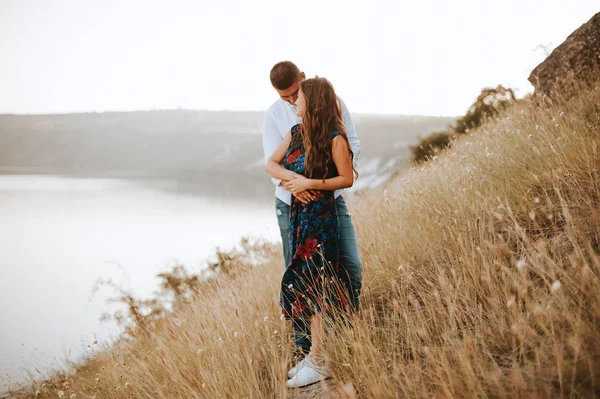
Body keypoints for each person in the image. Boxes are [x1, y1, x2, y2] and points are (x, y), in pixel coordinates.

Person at [262, 61, 363, 359]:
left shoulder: (330, 105)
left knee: (349, 266)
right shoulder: (277, 117)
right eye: (286, 98)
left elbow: (350, 149)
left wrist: (317, 183)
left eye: (296, 94)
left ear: (303, 80)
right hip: (290, 206)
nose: (293, 102)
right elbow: (272, 166)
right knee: (299, 277)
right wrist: (300, 184)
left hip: (330, 202)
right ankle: (305, 350)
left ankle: (344, 336)